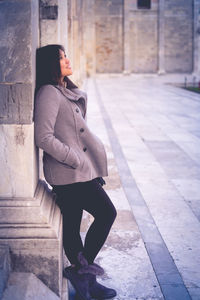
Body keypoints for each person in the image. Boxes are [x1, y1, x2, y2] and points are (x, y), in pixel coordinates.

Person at [34, 44, 117, 300]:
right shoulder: (49, 92)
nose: (67, 60)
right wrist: (76, 159)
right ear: (50, 64)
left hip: (76, 172)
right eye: (60, 58)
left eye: (66, 55)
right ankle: (83, 273)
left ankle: (85, 281)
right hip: (68, 173)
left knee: (72, 224)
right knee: (106, 213)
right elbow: (43, 137)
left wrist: (85, 165)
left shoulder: (64, 90)